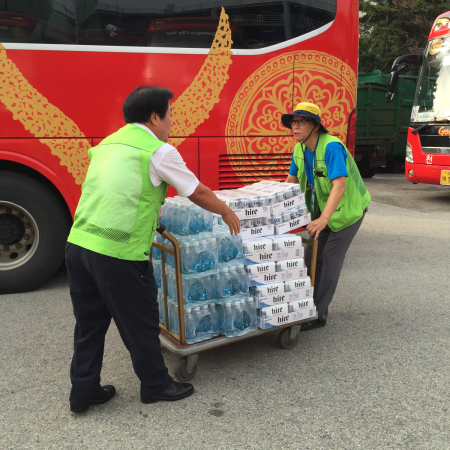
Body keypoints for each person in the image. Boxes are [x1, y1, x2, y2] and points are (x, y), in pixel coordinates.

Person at [65, 86, 240, 413]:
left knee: (89, 324)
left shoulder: (109, 143)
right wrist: (226, 212)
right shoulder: (157, 151)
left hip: (79, 244)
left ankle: (83, 391)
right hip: (118, 253)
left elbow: (119, 192)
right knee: (142, 322)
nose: (172, 121)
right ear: (155, 117)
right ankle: (156, 385)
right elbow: (197, 192)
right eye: (170, 114)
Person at [283, 102, 370, 331]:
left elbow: (339, 186)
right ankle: (308, 306)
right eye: (293, 122)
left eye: (301, 122)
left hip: (349, 211)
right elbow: (290, 183)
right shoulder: (299, 149)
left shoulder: (331, 147)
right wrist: (270, 207)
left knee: (330, 258)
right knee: (313, 257)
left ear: (315, 125)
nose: (295, 127)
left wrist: (323, 220)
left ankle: (318, 315)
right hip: (326, 212)